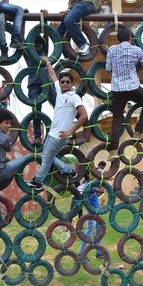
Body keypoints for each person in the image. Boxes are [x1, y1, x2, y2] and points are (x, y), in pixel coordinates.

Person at [27, 57, 88, 191]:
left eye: (67, 82)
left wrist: (71, 131)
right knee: (49, 156)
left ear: (72, 84)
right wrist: (47, 61)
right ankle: (68, 170)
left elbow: (84, 116)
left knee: (46, 159)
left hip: (59, 136)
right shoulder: (59, 91)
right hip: (53, 134)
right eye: (63, 82)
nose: (65, 84)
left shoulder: (74, 97)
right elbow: (53, 75)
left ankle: (37, 182)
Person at [106, 28, 143, 161]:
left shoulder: (111, 50)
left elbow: (108, 69)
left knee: (117, 118)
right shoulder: (136, 50)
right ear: (130, 38)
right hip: (133, 87)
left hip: (117, 89)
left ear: (118, 39)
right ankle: (138, 131)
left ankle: (113, 150)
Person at [24, 35, 48, 146]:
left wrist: (42, 25)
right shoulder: (29, 55)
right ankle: (38, 136)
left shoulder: (44, 54)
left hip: (47, 85)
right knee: (36, 111)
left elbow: (47, 37)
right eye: (35, 45)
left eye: (39, 45)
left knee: (61, 104)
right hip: (34, 86)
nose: (38, 47)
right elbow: (23, 42)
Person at [76, 172, 104, 258]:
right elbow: (102, 191)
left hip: (96, 210)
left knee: (99, 229)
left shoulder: (90, 185)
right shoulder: (88, 185)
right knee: (90, 230)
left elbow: (98, 193)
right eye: (93, 174)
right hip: (92, 211)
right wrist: (102, 180)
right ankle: (81, 252)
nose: (95, 175)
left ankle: (99, 253)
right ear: (88, 175)